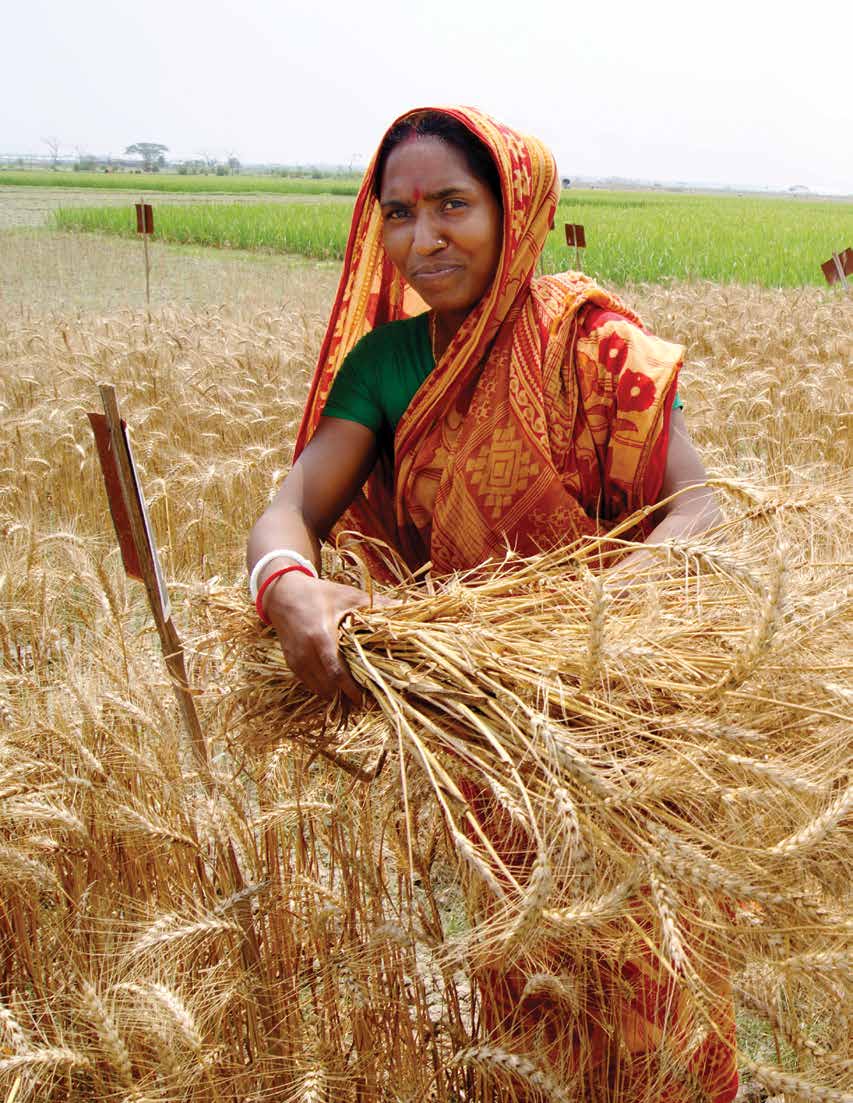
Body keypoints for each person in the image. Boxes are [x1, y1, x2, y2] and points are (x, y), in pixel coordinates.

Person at [247, 107, 735, 1101]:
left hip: (623, 713)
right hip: (490, 734)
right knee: (524, 970)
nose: (422, 238)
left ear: (514, 210)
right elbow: (290, 509)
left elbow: (698, 508)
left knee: (655, 982)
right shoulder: (386, 365)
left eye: (452, 206)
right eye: (397, 213)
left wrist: (589, 626)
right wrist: (287, 586)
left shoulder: (593, 344)